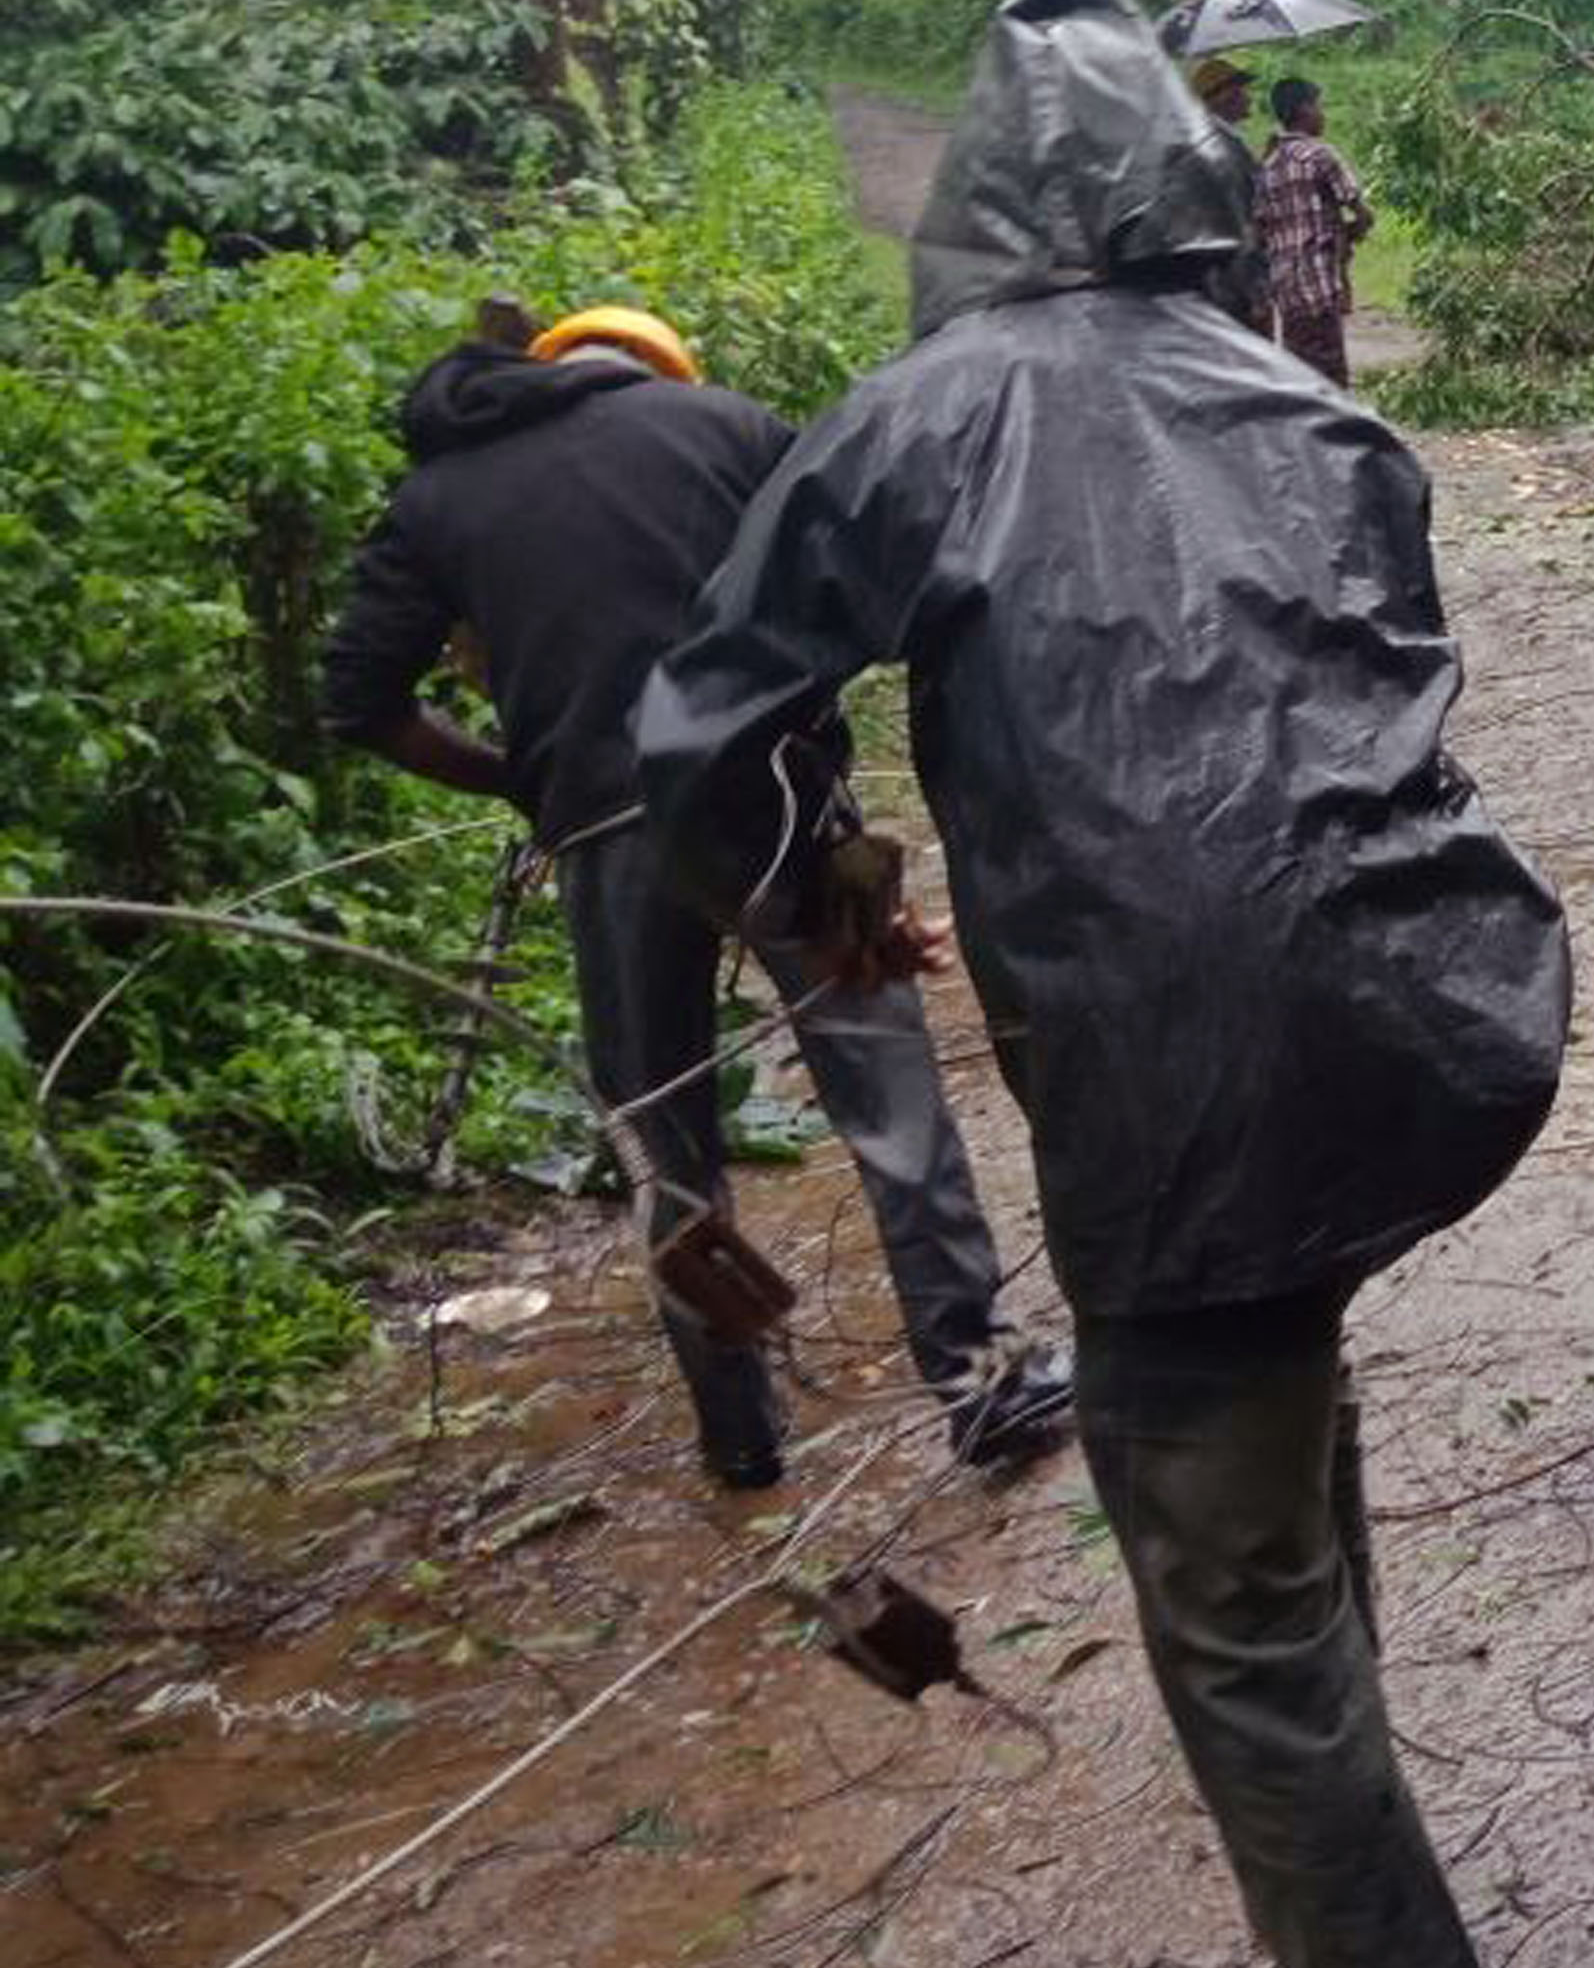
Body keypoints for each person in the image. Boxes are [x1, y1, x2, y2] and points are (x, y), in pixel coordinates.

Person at [635, 0, 1577, 1968]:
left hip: (1175, 1077)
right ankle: (1329, 1935)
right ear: (1186, 185)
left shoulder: (908, 416)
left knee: (1242, 1637)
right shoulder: (1313, 411)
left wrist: (821, 869)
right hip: (1429, 1017)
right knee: (1274, 1381)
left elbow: (688, 733)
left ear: (974, 202)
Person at [319, 302, 1066, 1491]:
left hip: (605, 835)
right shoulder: (730, 429)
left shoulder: (440, 496)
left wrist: (529, 782)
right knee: (889, 1095)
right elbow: (876, 593)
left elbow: (361, 700)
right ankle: (982, 1383)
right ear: (660, 368)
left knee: (665, 1145)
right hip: (771, 811)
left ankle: (740, 1433)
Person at [1254, 72, 1372, 388]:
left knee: (1300, 379)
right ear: (1304, 110)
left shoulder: (1268, 165)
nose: (1324, 114)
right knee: (1331, 381)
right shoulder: (1321, 155)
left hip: (1287, 293)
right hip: (1319, 288)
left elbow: (1261, 229)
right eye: (1320, 106)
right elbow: (1362, 213)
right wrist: (1350, 231)